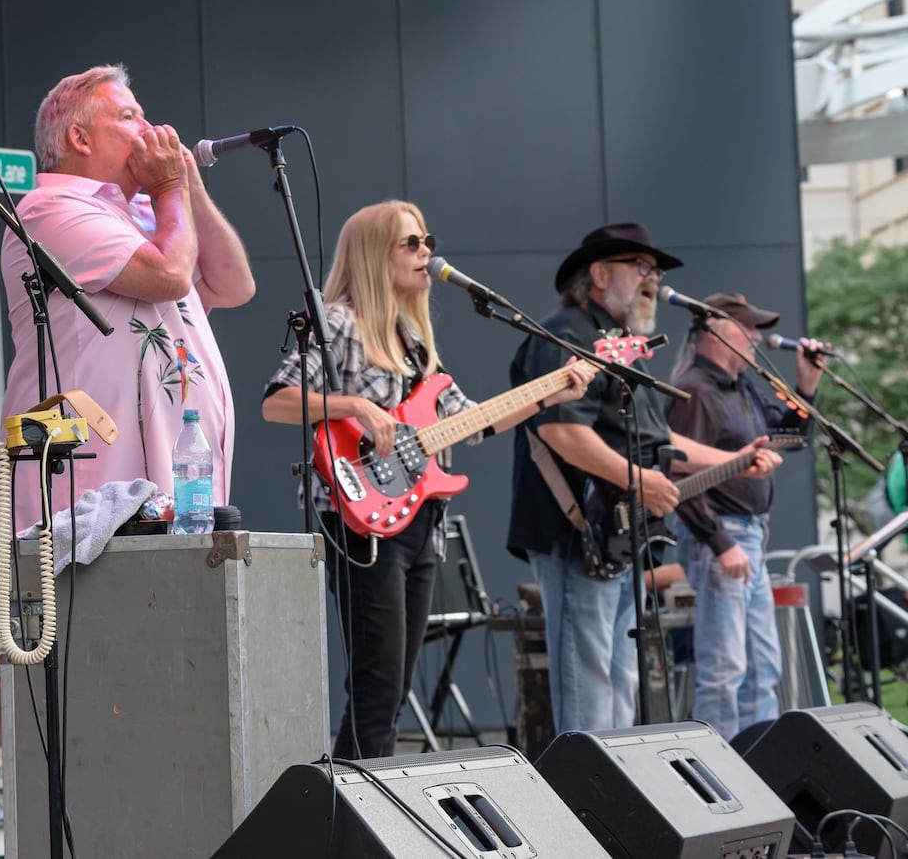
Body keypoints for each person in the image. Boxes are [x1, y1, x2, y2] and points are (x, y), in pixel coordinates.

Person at [260, 201, 596, 759]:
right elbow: (277, 402)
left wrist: (552, 391)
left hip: (419, 523)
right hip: (360, 520)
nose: (426, 253)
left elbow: (473, 421)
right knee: (377, 688)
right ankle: (354, 809)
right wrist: (356, 407)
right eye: (412, 243)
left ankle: (357, 799)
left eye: (428, 242)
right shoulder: (337, 323)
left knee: (393, 693)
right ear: (375, 255)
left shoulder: (412, 339)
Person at [506, 222, 781, 734]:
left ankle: (608, 780)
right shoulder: (566, 333)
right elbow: (561, 431)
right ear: (599, 274)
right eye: (641, 267)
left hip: (616, 535)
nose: (652, 279)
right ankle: (585, 783)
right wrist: (639, 481)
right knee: (589, 684)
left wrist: (737, 458)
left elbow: (661, 442)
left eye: (655, 271)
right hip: (576, 531)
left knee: (620, 678)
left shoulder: (622, 344)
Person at [0, 63, 255, 533]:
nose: (150, 129)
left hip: (177, 486)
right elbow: (169, 276)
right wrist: (170, 188)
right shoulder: (50, 209)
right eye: (129, 116)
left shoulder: (150, 215)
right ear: (80, 138)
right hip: (94, 490)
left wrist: (187, 186)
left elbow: (234, 285)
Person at [666, 292, 821, 741]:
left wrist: (806, 387)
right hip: (723, 536)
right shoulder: (694, 390)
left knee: (762, 664)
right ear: (717, 330)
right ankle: (721, 769)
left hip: (748, 535)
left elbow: (788, 436)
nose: (756, 336)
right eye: (748, 327)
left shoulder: (741, 387)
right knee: (725, 667)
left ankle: (759, 762)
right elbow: (677, 474)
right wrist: (721, 542)